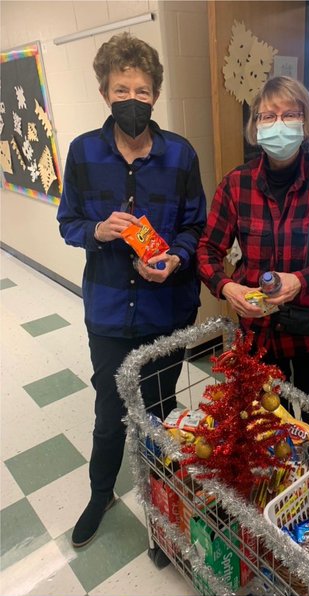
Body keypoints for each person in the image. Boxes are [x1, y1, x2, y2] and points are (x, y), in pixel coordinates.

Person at [57, 34, 206, 548]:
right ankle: (101, 494)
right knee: (109, 413)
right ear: (105, 92)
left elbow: (195, 228)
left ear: (155, 95)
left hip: (167, 310)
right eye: (123, 89)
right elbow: (67, 222)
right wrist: (96, 232)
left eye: (143, 91)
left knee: (161, 412)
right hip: (108, 313)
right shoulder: (83, 153)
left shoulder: (180, 155)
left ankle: (165, 502)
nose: (133, 100)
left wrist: (176, 258)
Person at [197, 76, 309, 455]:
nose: (278, 123)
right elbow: (207, 249)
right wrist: (226, 287)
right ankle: (279, 499)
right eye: (268, 116)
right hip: (258, 332)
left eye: (289, 114)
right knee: (269, 424)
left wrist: (300, 281)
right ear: (256, 127)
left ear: (305, 123)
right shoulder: (236, 184)